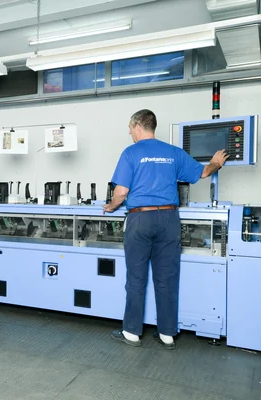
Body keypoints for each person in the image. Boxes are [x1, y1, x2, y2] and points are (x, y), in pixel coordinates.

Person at [103, 109, 228, 350]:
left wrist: (110, 206)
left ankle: (131, 332)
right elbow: (202, 172)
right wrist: (215, 163)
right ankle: (167, 334)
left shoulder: (131, 153)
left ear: (138, 126)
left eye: (130, 128)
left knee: (136, 277)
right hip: (169, 218)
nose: (129, 132)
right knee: (167, 278)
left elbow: (120, 192)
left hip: (140, 219)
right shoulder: (173, 153)